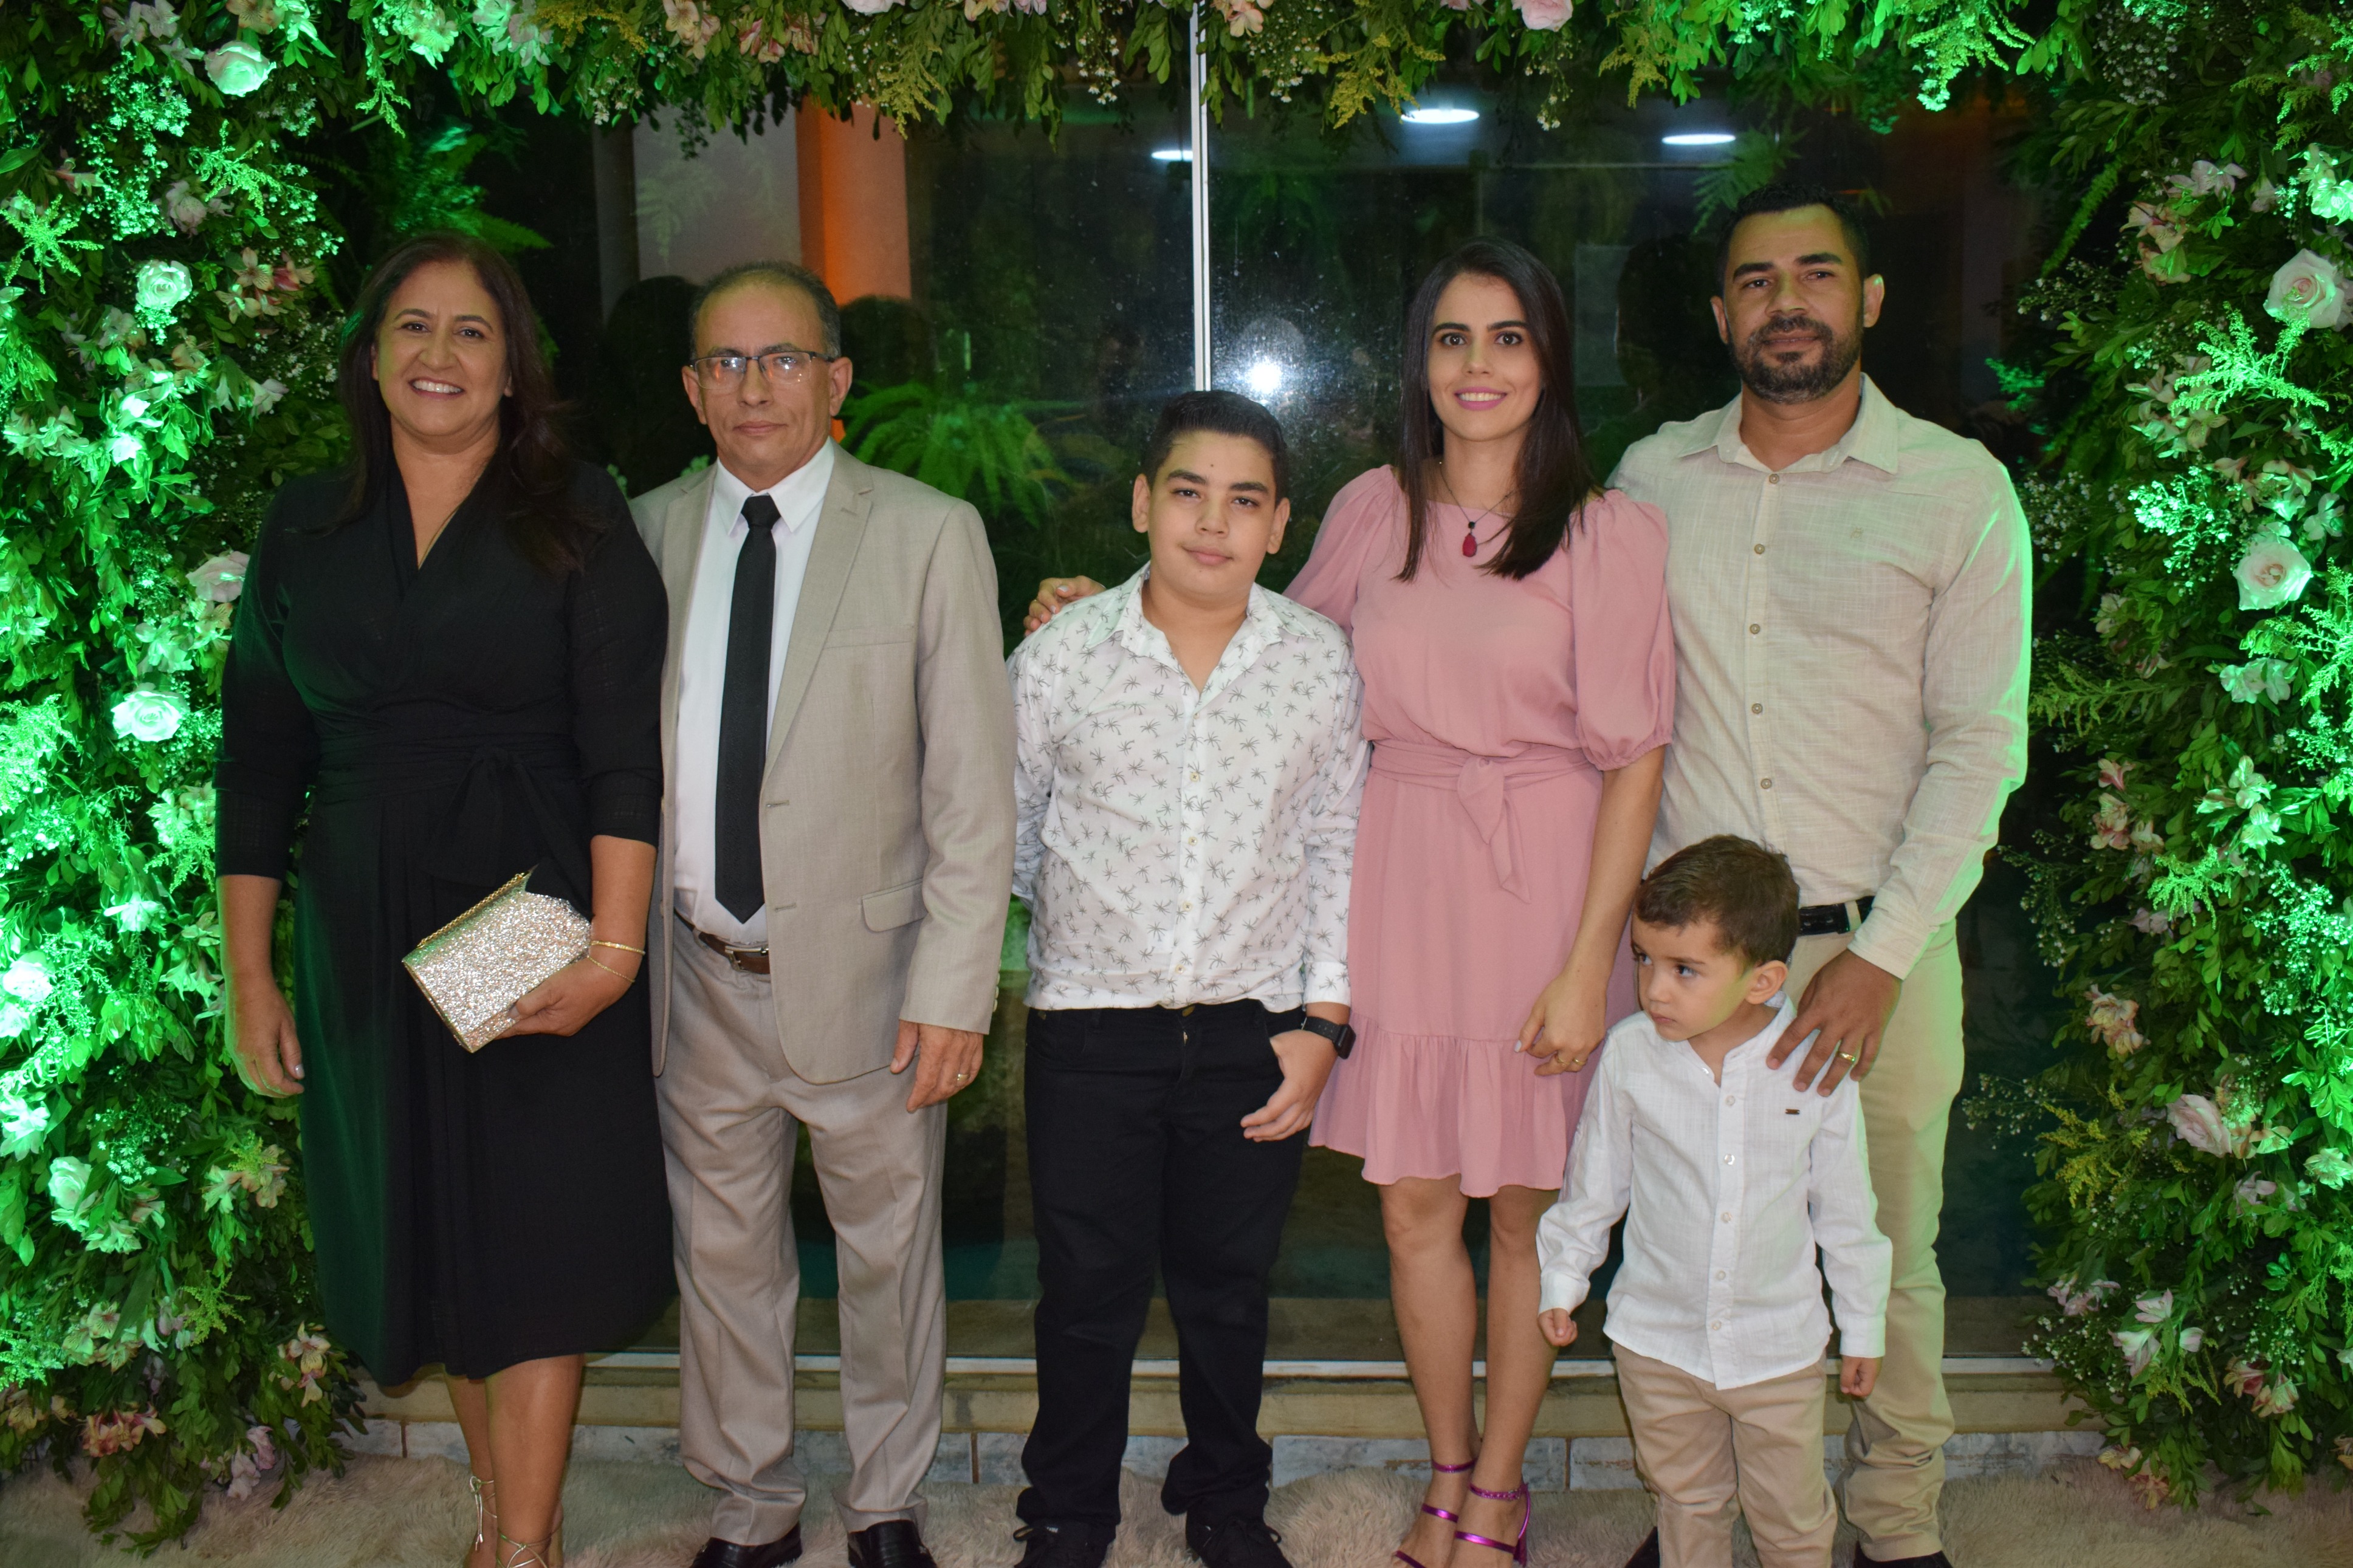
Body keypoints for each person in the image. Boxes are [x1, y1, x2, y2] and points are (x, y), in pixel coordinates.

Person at [1025, 239, 1675, 1568]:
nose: (1477, 365)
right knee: (1414, 1207)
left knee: (1527, 1210)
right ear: (1417, 361)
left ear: (1549, 358)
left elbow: (1635, 761)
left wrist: (1587, 960)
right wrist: (1096, 607)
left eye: (1506, 337)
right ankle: (1446, 1471)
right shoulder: (1378, 510)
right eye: (1451, 338)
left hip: (1548, 886)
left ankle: (1501, 1490)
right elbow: (1258, 634)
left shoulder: (1609, 531)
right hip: (1402, 879)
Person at [217, 231, 674, 1568]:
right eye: (411, 327)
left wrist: (614, 949)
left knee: (530, 1227)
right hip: (360, 922)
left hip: (527, 906)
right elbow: (258, 763)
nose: (439, 354)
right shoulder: (305, 523)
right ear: (369, 356)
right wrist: (251, 974)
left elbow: (623, 756)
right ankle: (496, 1517)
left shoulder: (578, 510)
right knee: (430, 1228)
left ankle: (521, 1549)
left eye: (471, 331)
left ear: (513, 367)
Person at [1609, 183, 2030, 1568]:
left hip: (1879, 946)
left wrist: (1880, 954)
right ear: (1719, 310)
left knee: (1887, 1251)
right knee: (1692, 1245)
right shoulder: (1651, 482)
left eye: (1815, 273)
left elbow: (1980, 748)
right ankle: (1700, 1515)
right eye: (1755, 279)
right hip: (1696, 971)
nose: (1784, 302)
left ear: (1869, 300)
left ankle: (1894, 1523)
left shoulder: (1956, 491)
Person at [630, 260, 1014, 1568]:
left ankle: (887, 1499)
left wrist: (955, 991)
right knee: (722, 1259)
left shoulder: (926, 532)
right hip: (695, 974)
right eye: (727, 364)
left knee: (887, 1260)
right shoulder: (641, 536)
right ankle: (752, 1502)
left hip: (872, 979)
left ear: (836, 378)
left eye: (784, 359)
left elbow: (972, 788)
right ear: (692, 390)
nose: (756, 387)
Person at [1006, 392, 1369, 1568]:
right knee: (1085, 1292)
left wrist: (1323, 1021)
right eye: (1187, 492)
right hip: (1088, 1030)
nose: (1212, 523)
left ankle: (1224, 1497)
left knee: (1228, 1287)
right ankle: (1068, 1510)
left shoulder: (1318, 663)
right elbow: (1010, 836)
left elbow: (1337, 845)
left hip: (1252, 1030)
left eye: (1244, 500)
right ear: (1140, 503)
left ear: (1279, 525)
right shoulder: (1059, 656)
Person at [1536, 836, 1891, 1568]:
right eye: (1643, 959)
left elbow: (1846, 1211)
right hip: (1656, 1342)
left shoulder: (1816, 1065)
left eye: (1684, 969)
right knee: (1685, 1502)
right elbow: (1594, 1185)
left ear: (1762, 980)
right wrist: (1564, 1280)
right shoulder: (1630, 1054)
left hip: (1776, 1348)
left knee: (1790, 1518)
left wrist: (1862, 1326)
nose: (1653, 990)